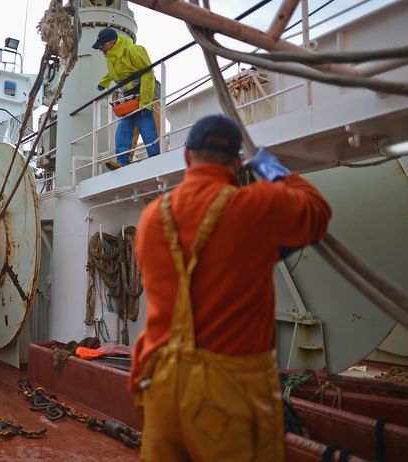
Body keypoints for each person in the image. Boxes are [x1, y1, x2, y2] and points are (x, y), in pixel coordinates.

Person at [130, 115, 332, 461]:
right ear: (237, 163)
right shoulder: (252, 207)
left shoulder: (151, 217)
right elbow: (316, 211)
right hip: (228, 392)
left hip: (161, 382)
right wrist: (272, 169)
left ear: (188, 157)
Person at [94, 27, 161, 171]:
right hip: (129, 97)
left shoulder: (134, 50)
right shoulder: (110, 57)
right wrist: (103, 83)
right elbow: (113, 74)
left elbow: (148, 74)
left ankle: (157, 158)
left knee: (148, 126)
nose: (100, 49)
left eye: (102, 45)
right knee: (124, 128)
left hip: (146, 93)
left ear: (111, 43)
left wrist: (146, 103)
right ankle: (123, 161)